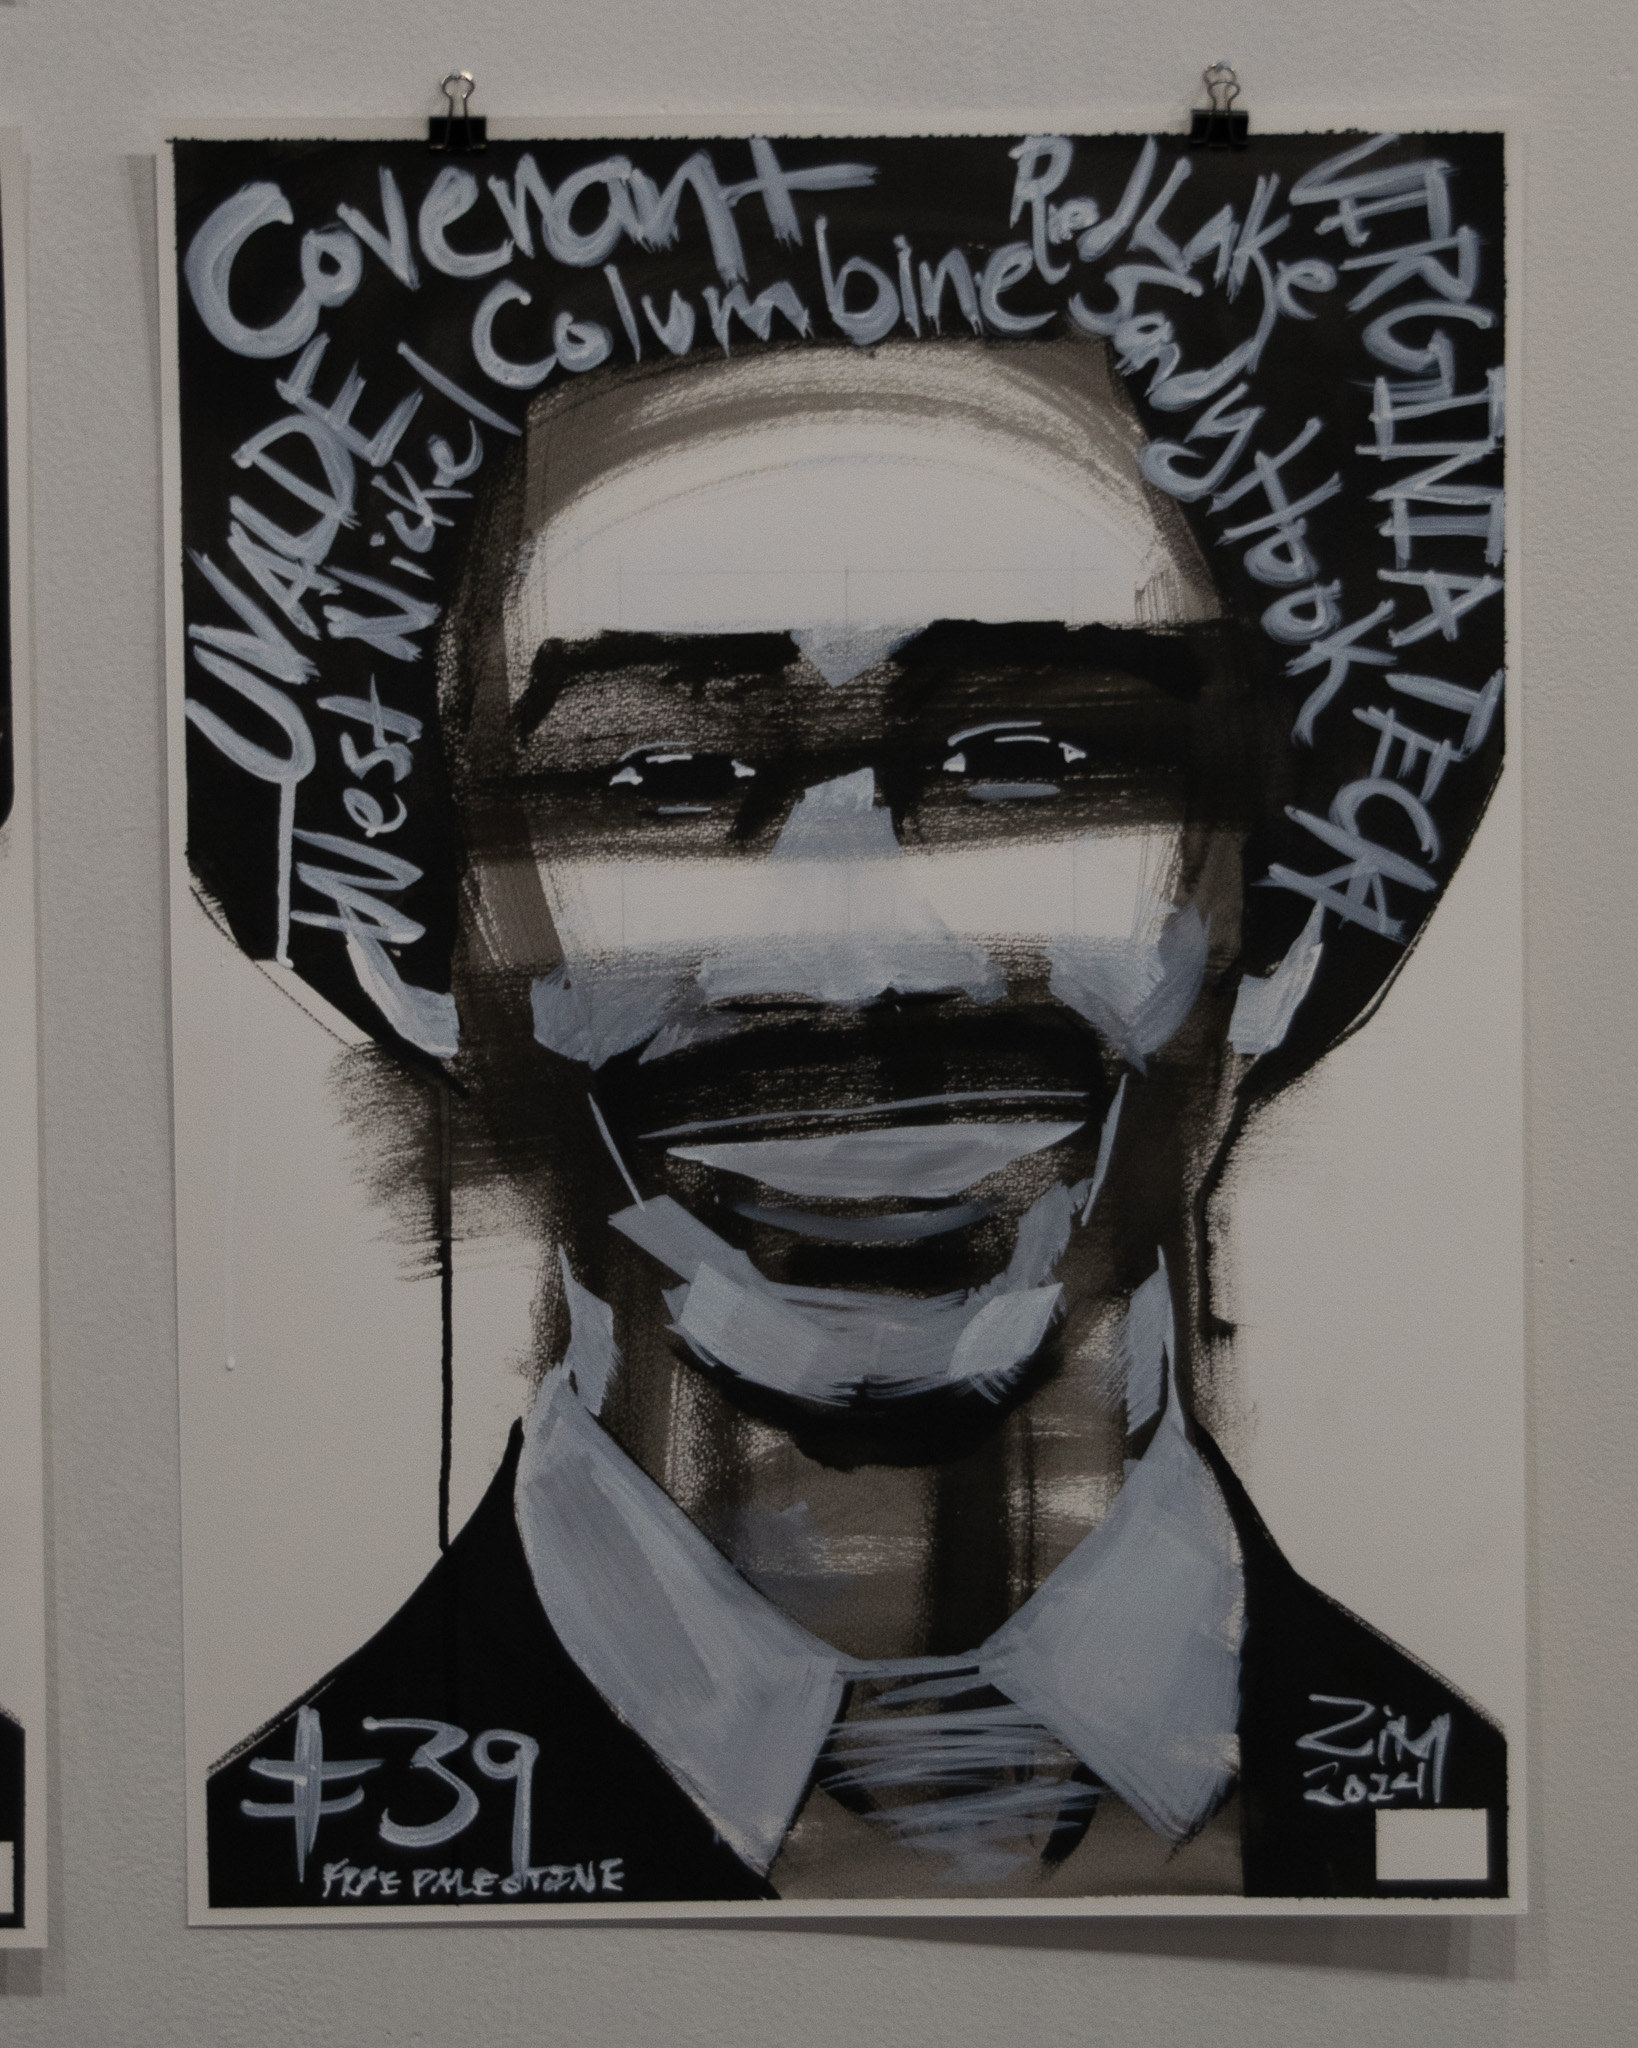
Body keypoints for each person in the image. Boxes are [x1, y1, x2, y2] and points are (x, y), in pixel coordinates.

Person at [206, 334, 1506, 1908]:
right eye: (659, 776)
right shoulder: (263, 1865)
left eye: (1026, 761)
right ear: (423, 956)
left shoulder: (1495, 1825)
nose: (857, 965)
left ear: (1278, 928)